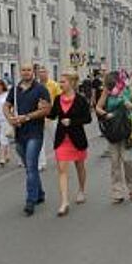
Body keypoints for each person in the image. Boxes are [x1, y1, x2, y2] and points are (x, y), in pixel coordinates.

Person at [4, 63, 51, 216]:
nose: (26, 72)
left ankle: (30, 201)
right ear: (20, 72)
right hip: (19, 133)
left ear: (33, 72)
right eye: (23, 70)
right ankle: (40, 193)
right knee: (29, 167)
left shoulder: (40, 89)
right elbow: (6, 105)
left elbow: (46, 109)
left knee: (31, 166)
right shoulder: (15, 90)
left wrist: (27, 117)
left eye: (29, 70)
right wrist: (10, 118)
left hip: (35, 133)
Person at [48, 72, 92, 217]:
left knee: (79, 166)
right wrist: (45, 108)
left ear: (72, 83)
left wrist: (72, 122)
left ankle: (81, 190)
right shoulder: (57, 99)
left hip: (77, 139)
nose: (60, 84)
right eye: (60, 82)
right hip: (62, 139)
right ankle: (64, 202)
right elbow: (52, 115)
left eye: (63, 82)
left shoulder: (80, 100)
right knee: (61, 169)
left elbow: (88, 118)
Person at [96, 71, 132, 204]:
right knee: (114, 162)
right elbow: (98, 107)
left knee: (127, 160)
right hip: (113, 130)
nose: (111, 87)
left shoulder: (129, 90)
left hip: (127, 128)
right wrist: (105, 114)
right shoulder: (107, 91)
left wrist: (131, 106)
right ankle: (117, 192)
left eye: (113, 84)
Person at [37, 65, 61, 171]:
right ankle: (41, 163)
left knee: (55, 139)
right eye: (40, 72)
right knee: (40, 140)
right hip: (39, 116)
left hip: (51, 116)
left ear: (47, 73)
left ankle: (60, 159)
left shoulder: (54, 85)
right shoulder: (36, 86)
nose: (42, 74)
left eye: (44, 72)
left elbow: (59, 100)